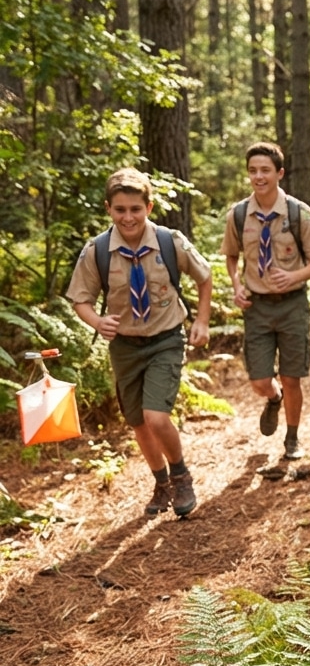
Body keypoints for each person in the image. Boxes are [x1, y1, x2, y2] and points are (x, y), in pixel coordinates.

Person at [67, 168, 212, 518]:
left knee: (156, 417)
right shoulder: (98, 251)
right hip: (125, 346)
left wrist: (202, 320)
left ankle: (181, 475)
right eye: (120, 210)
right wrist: (97, 321)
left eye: (135, 209)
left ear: (149, 207)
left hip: (165, 339)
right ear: (108, 209)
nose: (128, 217)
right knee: (138, 422)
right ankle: (161, 483)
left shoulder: (169, 241)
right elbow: (80, 299)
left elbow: (204, 276)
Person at [221, 142, 310, 460]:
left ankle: (292, 438)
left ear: (279, 173)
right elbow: (231, 255)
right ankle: (272, 398)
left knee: (292, 377)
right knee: (259, 379)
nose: (259, 176)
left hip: (292, 304)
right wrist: (237, 285)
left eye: (265, 170)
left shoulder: (298, 213)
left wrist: (294, 276)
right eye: (253, 170)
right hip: (257, 307)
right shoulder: (239, 215)